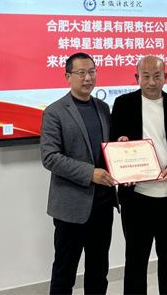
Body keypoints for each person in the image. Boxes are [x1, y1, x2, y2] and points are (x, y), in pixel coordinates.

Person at [111, 55, 167, 295]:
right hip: (136, 197)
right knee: (135, 261)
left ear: (166, 77)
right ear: (137, 78)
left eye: (157, 76)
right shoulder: (123, 104)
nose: (151, 82)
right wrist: (120, 143)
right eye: (146, 76)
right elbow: (113, 140)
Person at [41, 52, 117, 295]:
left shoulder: (103, 108)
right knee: (64, 273)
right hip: (71, 207)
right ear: (67, 76)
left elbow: (107, 149)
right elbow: (50, 157)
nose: (88, 78)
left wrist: (121, 148)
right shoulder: (54, 112)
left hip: (102, 204)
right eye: (81, 73)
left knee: (98, 271)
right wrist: (89, 173)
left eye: (92, 72)